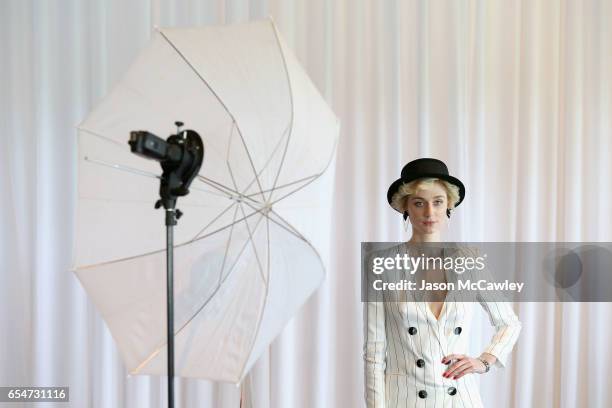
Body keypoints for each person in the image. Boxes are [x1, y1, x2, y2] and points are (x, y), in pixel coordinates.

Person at [363, 158, 521, 407]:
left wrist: (484, 361)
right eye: (419, 203)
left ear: (449, 205)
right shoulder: (380, 264)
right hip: (405, 399)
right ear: (405, 207)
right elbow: (374, 351)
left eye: (437, 202)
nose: (429, 212)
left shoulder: (469, 261)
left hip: (460, 398)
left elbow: (509, 323)